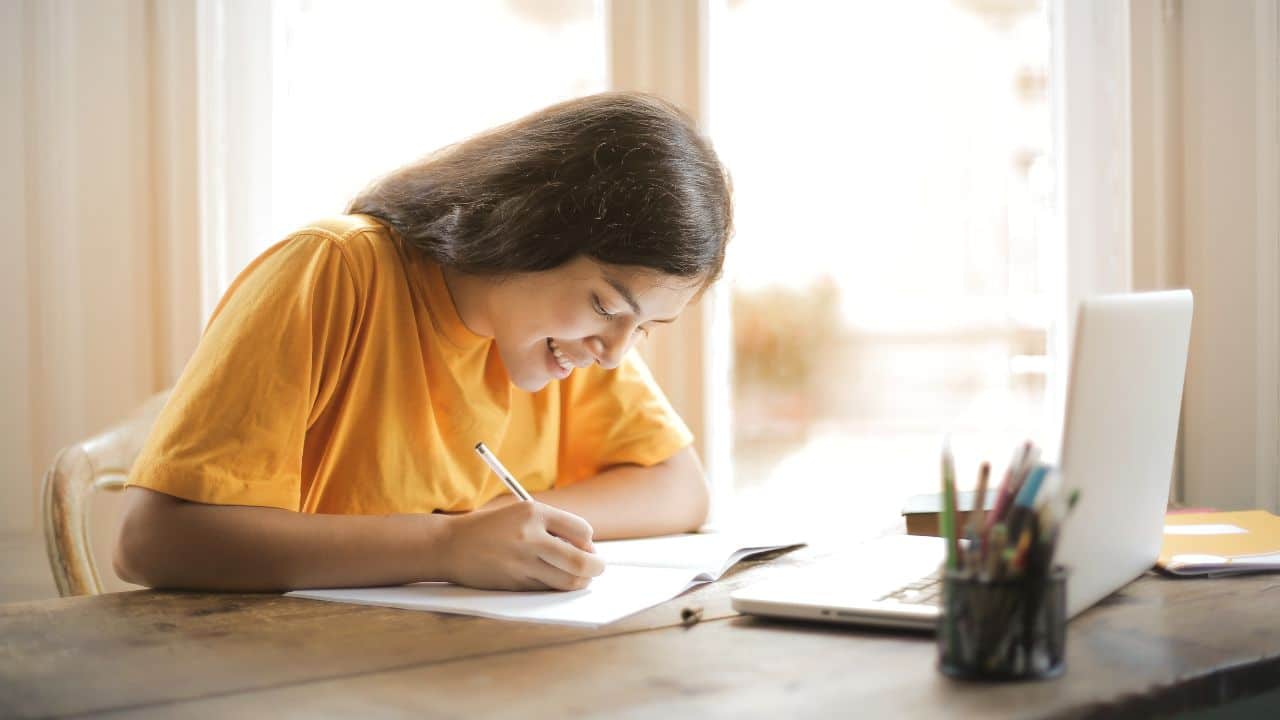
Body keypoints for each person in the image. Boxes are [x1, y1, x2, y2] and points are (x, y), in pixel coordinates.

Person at [113, 92, 733, 594]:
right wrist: (447, 546)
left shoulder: (571, 340)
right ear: (528, 228)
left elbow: (681, 488)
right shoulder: (335, 270)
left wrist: (506, 528)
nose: (616, 353)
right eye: (605, 306)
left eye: (643, 328)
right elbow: (151, 541)